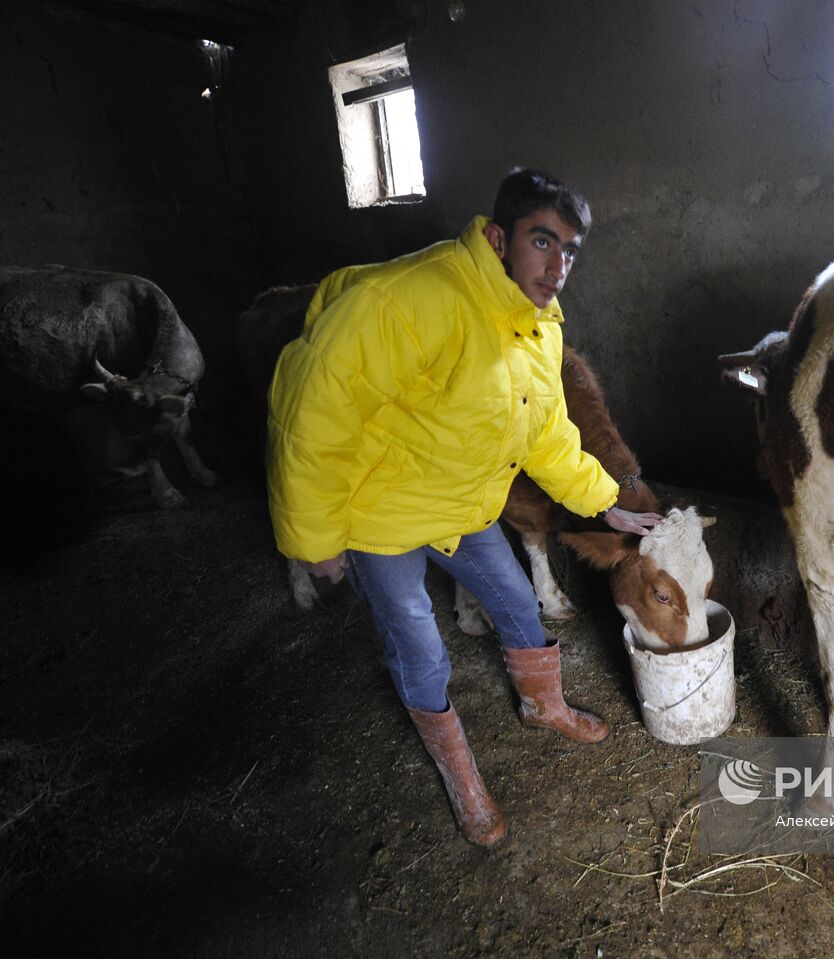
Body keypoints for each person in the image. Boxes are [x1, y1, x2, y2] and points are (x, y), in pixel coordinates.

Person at [265, 168, 660, 847]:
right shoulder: (406, 301)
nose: (558, 265)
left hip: (461, 505)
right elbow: (311, 418)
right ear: (499, 237)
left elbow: (546, 435)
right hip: (380, 518)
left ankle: (546, 706)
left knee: (516, 603)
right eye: (543, 242)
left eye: (570, 250)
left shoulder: (536, 325)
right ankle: (462, 779)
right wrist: (315, 537)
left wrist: (607, 504)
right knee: (419, 648)